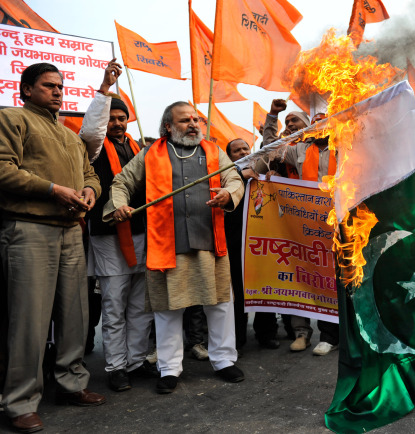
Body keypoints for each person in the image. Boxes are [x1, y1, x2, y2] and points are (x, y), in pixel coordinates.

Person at [103, 101, 245, 393]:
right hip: (166, 244)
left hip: (210, 242)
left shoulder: (213, 150)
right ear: (168, 126)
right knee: (168, 310)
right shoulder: (150, 154)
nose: (193, 124)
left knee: (219, 304)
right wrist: (119, 205)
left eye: (196, 119)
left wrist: (227, 194)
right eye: (184, 121)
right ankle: (169, 369)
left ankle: (224, 360)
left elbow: (234, 179)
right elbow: (121, 183)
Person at [0, 63, 105, 433]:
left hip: (71, 232)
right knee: (30, 320)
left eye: (60, 86)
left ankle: (71, 384)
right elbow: (2, 169)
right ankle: (19, 402)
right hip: (29, 229)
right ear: (26, 89)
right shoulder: (11, 118)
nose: (58, 92)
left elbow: (89, 173)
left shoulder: (71, 135)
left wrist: (90, 190)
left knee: (74, 315)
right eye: (48, 86)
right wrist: (53, 189)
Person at [79, 59, 155, 392]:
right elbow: (91, 130)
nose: (117, 123)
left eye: (122, 118)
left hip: (143, 234)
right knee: (114, 304)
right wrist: (105, 90)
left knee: (141, 303)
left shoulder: (139, 148)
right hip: (109, 237)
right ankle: (116, 367)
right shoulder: (94, 148)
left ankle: (137, 361)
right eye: (111, 118)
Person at [252, 118, 340, 356]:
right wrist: (272, 117)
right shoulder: (300, 149)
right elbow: (270, 149)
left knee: (333, 277)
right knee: (308, 274)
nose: (320, 126)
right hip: (306, 222)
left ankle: (332, 335)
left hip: (337, 221)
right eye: (315, 122)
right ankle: (303, 333)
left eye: (325, 121)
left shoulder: (344, 143)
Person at [225, 139, 280, 351]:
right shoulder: (225, 174)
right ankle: (238, 337)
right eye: (236, 150)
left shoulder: (263, 170)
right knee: (238, 290)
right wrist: (239, 176)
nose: (242, 152)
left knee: (264, 286)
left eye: (245, 148)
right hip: (235, 240)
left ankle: (266, 333)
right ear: (229, 157)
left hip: (261, 242)